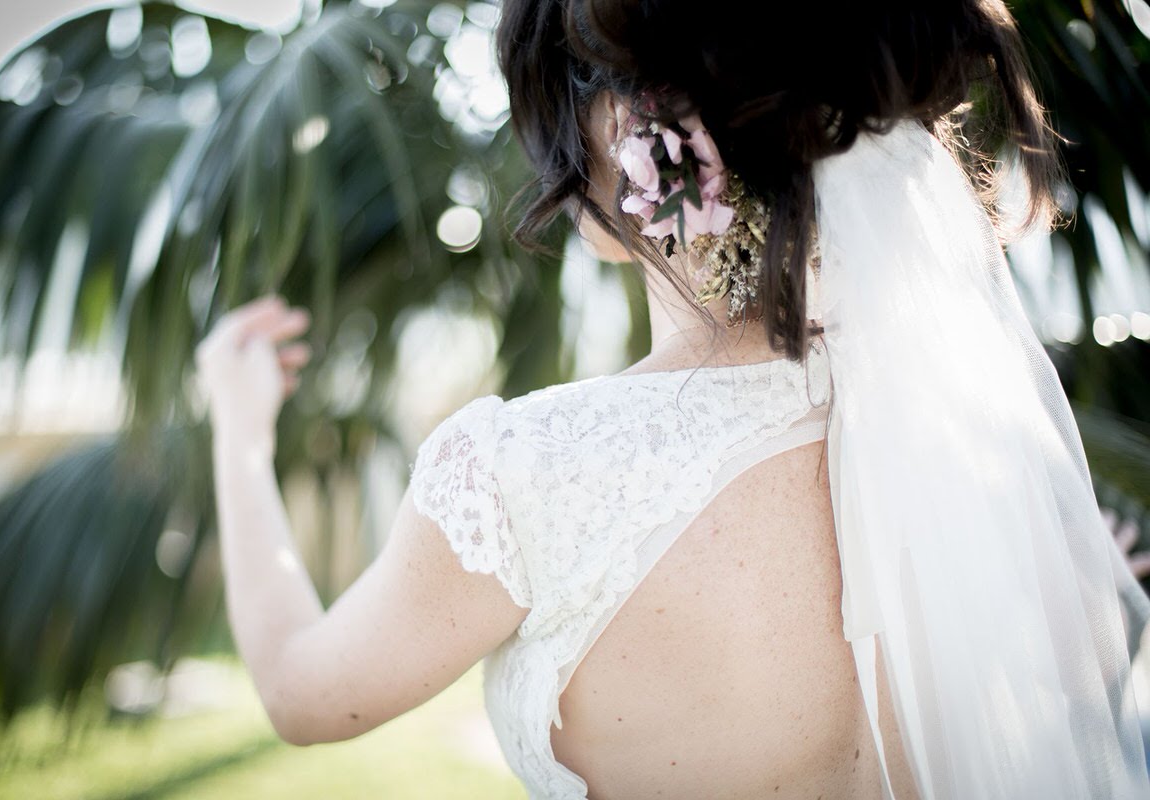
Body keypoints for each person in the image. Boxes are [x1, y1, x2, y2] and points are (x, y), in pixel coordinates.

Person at [193, 2, 1150, 798]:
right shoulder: (982, 457)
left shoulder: (526, 473)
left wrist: (239, 431)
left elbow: (300, 692)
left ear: (623, 127)